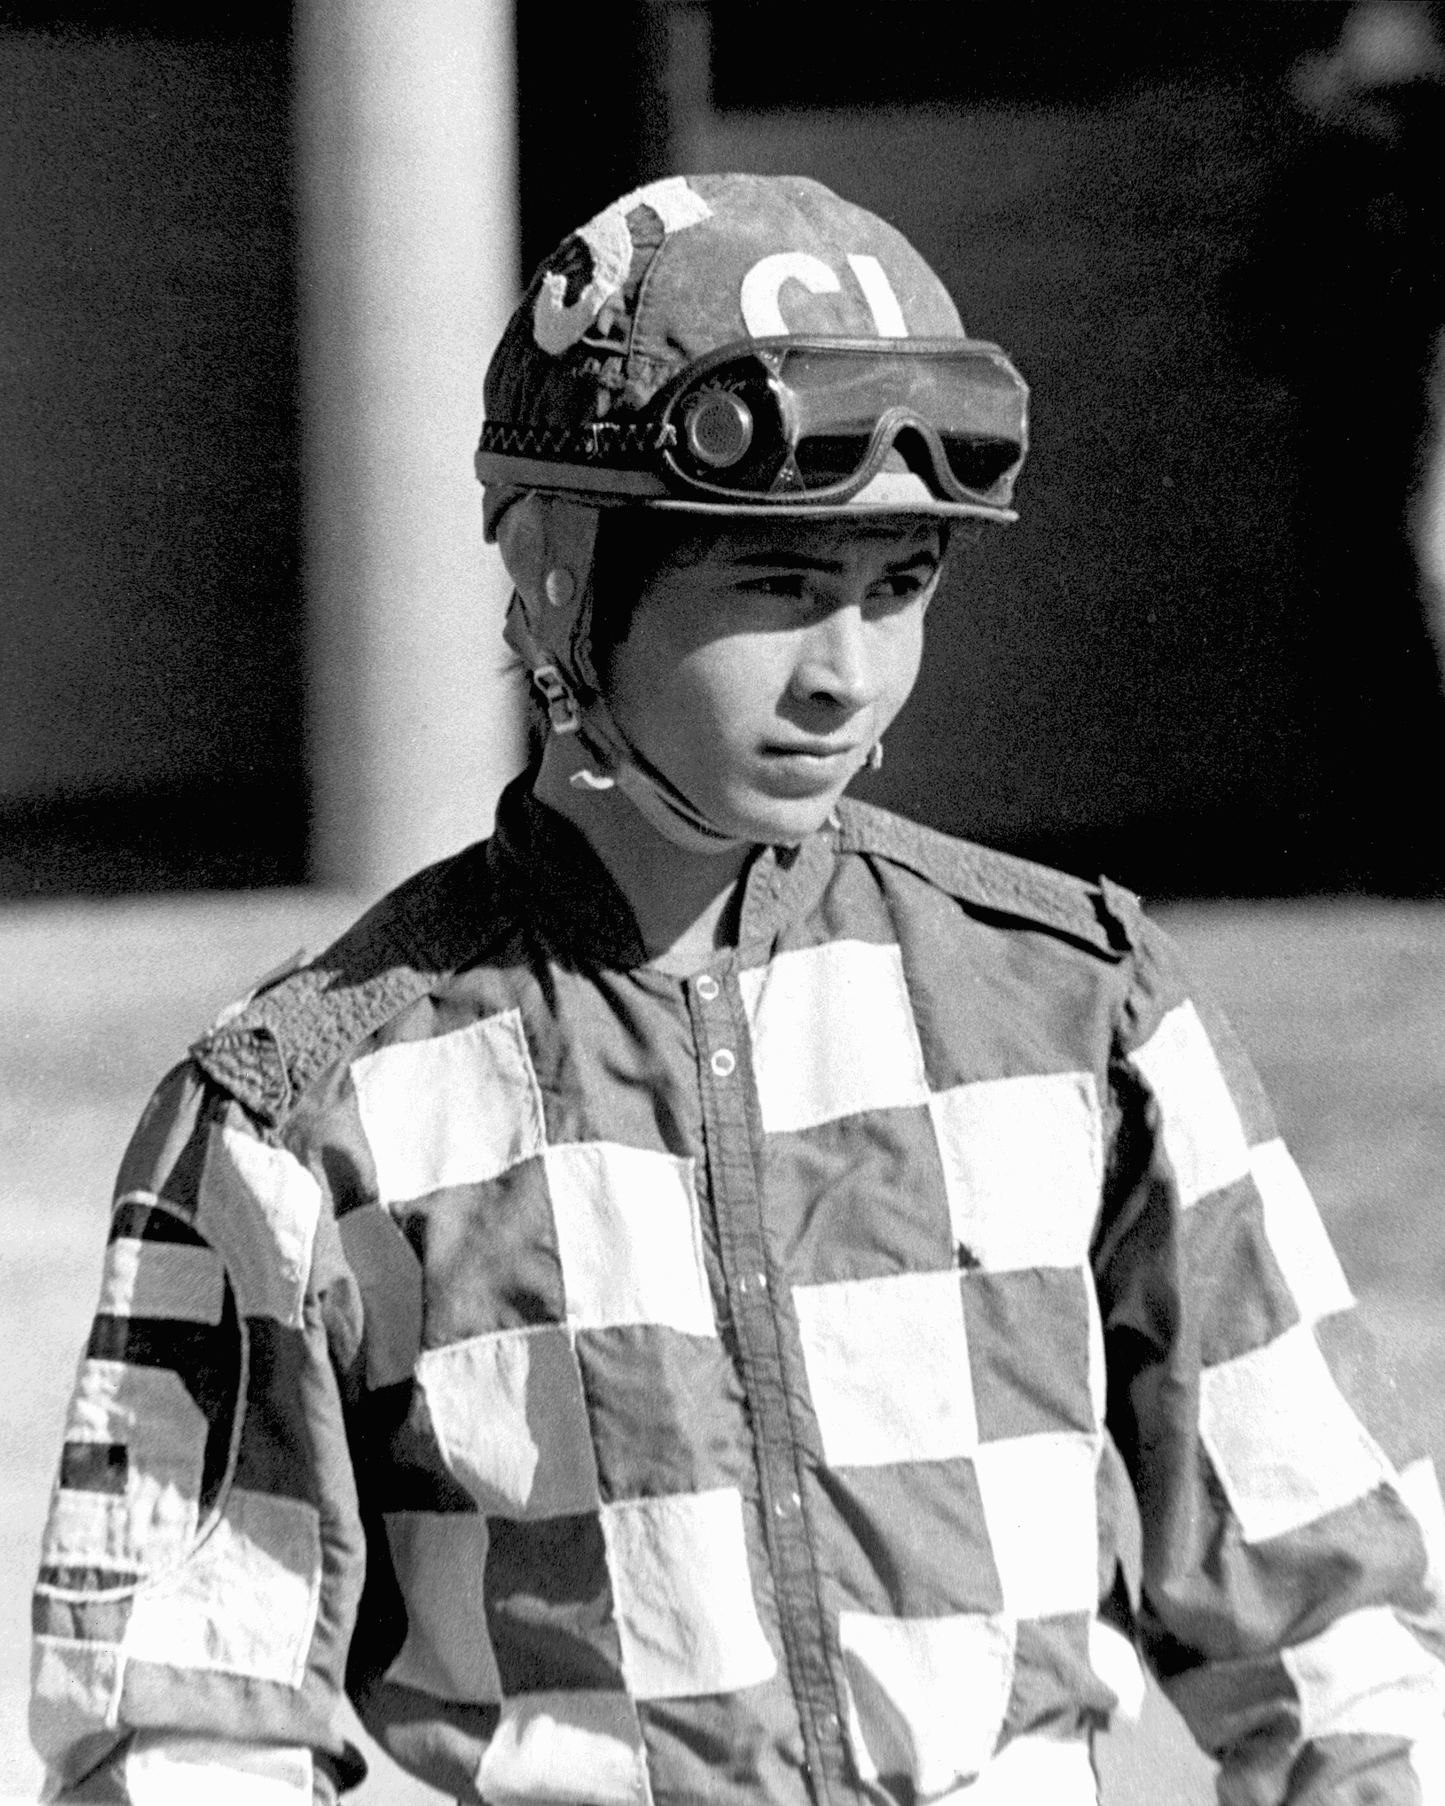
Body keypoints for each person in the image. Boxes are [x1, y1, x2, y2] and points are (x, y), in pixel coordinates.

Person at [30, 173, 1445, 1806]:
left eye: (898, 586)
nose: (849, 673)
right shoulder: (301, 1109)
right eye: (777, 587)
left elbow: (1342, 1636)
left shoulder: (1081, 1013)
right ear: (560, 575)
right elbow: (181, 1728)